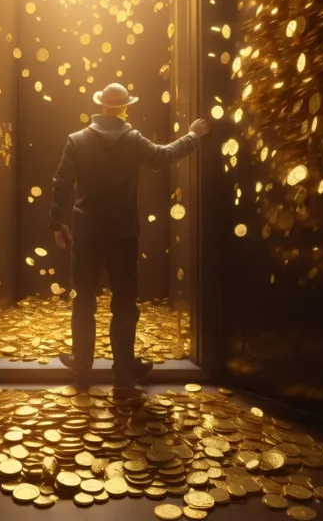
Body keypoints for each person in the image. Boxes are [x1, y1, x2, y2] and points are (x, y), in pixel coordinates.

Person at [49, 82, 209, 395]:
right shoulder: (133, 140)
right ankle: (122, 372)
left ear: (100, 106)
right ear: (124, 109)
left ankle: (82, 371)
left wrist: (57, 222)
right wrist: (192, 136)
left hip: (86, 233)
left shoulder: (77, 140)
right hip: (122, 233)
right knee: (124, 303)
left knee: (83, 300)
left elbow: (62, 183)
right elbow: (163, 156)